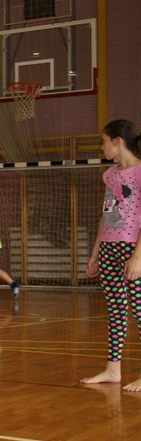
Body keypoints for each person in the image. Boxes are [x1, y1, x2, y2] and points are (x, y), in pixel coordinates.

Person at [81, 119, 141, 391]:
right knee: (116, 311)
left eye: (104, 142)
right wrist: (95, 254)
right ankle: (112, 370)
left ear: (118, 141)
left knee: (139, 310)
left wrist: (137, 257)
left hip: (133, 249)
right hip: (108, 248)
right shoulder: (110, 175)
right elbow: (107, 216)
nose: (102, 147)